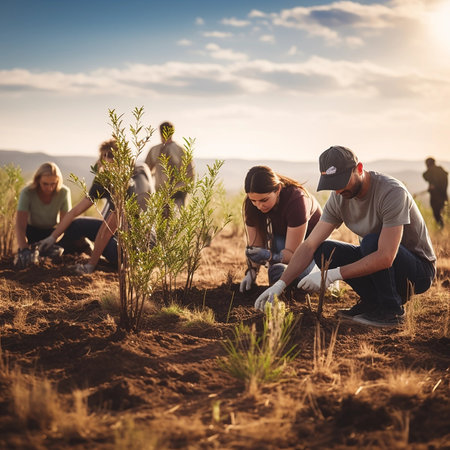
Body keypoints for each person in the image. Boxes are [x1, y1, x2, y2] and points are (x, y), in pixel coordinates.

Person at [255, 146, 436, 328]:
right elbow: (309, 244)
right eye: (332, 183)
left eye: (341, 181)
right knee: (324, 250)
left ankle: (391, 312)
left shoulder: (391, 192)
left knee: (372, 241)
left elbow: (386, 257)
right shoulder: (339, 197)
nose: (338, 190)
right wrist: (281, 284)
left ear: (359, 168)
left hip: (416, 272)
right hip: (380, 263)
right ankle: (372, 302)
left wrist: (332, 275)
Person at [39, 139, 154, 274]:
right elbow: (75, 211)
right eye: (105, 162)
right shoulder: (105, 178)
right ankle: (53, 251)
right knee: (76, 225)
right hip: (117, 236)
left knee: (108, 240)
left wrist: (90, 266)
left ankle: (94, 260)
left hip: (135, 250)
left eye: (113, 163)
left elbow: (107, 229)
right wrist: (52, 237)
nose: (110, 169)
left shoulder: (133, 183)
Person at [240, 166, 322, 293]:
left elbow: (294, 254)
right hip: (284, 241)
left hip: (313, 245)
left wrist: (270, 256)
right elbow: (256, 247)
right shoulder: (252, 206)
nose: (259, 206)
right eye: (253, 201)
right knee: (277, 271)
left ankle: (319, 274)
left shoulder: (297, 200)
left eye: (264, 200)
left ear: (278, 189)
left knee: (296, 281)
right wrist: (251, 272)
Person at [14, 162, 72, 268]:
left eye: (53, 184)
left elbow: (65, 223)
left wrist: (53, 239)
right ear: (38, 180)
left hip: (53, 233)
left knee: (76, 234)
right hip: (31, 232)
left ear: (58, 181)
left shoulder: (64, 192)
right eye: (45, 184)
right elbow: (20, 225)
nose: (49, 188)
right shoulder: (27, 192)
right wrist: (24, 248)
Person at [144, 121, 195, 208]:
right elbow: (190, 175)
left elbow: (145, 171)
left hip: (176, 196)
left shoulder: (155, 150)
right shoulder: (180, 150)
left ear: (160, 132)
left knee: (169, 220)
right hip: (162, 195)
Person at [422, 157, 448, 229]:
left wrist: (433, 186)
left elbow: (425, 175)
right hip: (443, 197)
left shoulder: (432, 171)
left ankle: (442, 228)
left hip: (436, 198)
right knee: (442, 213)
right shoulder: (441, 171)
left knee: (437, 214)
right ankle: (443, 229)